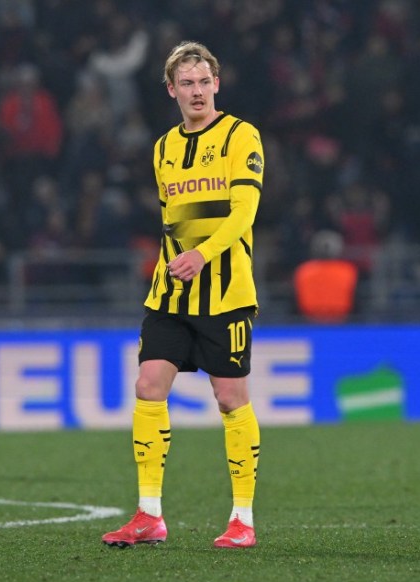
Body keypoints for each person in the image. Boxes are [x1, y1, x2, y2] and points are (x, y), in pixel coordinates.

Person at [101, 42, 265, 549]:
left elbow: (244, 213)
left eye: (203, 81)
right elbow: (174, 219)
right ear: (171, 90)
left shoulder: (242, 136)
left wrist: (203, 255)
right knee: (149, 384)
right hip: (170, 294)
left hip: (226, 292)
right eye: (186, 84)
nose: (196, 91)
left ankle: (243, 519)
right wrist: (178, 261)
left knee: (229, 396)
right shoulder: (163, 148)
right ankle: (149, 514)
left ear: (217, 83)